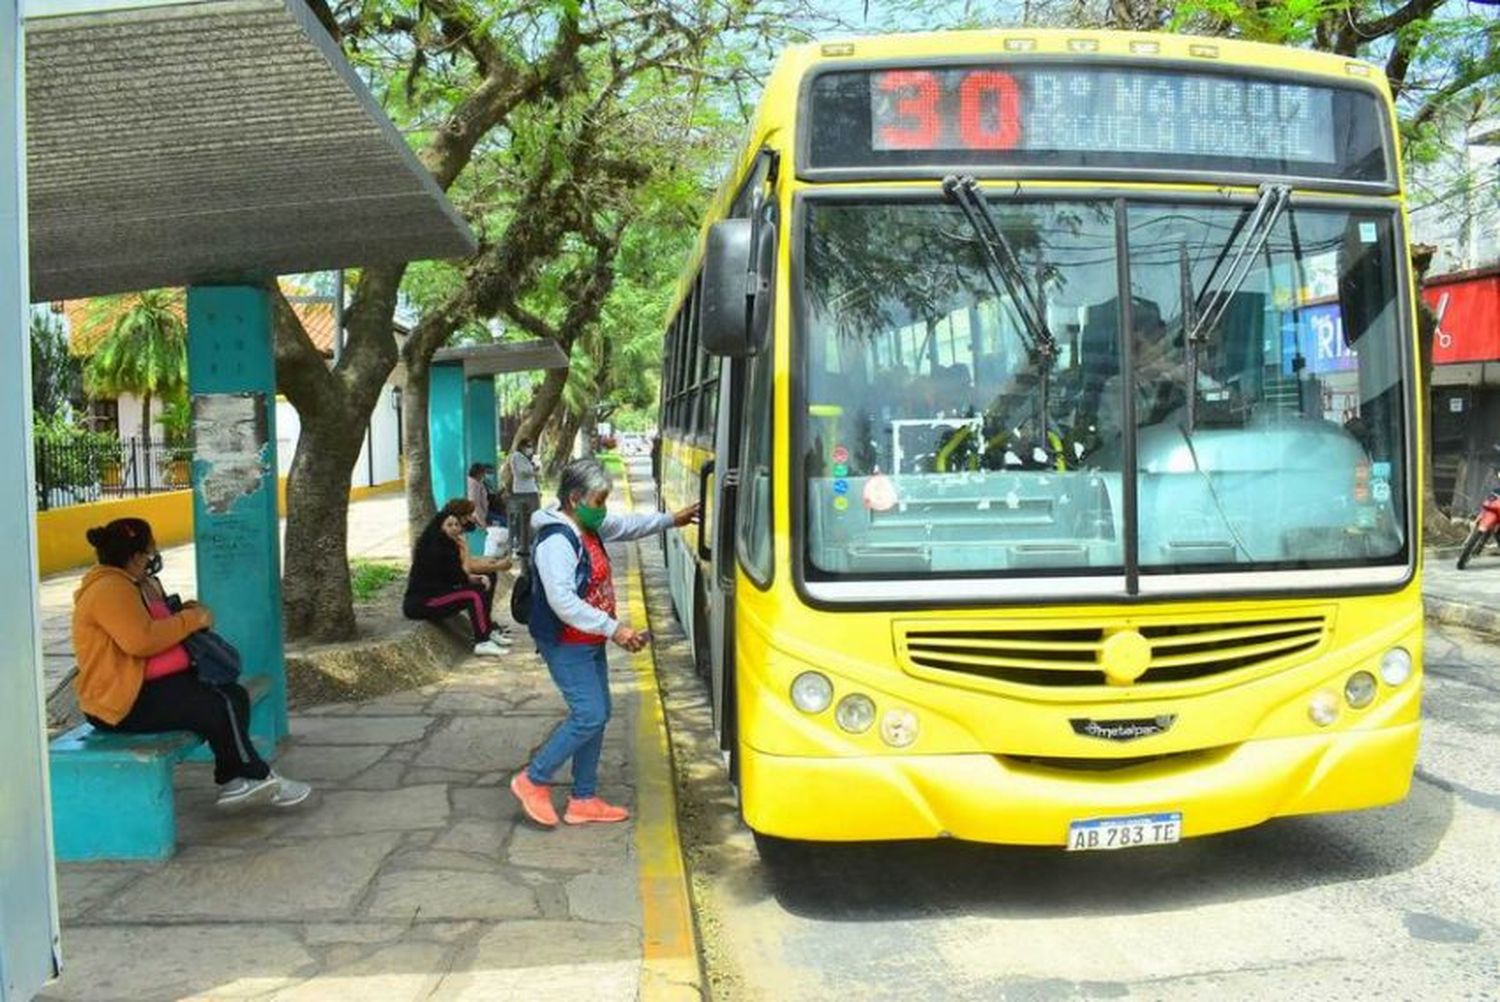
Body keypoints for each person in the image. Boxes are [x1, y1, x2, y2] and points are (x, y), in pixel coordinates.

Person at [71, 518, 311, 809]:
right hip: (119, 702)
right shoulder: (110, 589)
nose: (152, 558)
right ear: (135, 557)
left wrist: (184, 611)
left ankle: (235, 779)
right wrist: (190, 620)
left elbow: (160, 622)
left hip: (143, 687)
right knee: (216, 704)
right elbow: (141, 641)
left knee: (232, 695)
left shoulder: (133, 584)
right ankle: (252, 776)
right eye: (149, 552)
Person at [510, 459, 699, 827]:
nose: (604, 508)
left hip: (588, 640)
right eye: (599, 500)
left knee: (597, 715)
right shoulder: (557, 540)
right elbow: (562, 601)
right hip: (566, 643)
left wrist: (669, 519)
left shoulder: (588, 525)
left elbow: (627, 526)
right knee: (589, 714)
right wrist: (615, 628)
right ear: (575, 498)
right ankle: (533, 779)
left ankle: (583, 799)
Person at [403, 508, 512, 657]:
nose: (454, 528)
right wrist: (466, 549)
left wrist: (474, 577)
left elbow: (458, 575)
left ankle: (487, 631)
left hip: (440, 594)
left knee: (480, 585)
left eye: (456, 524)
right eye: (449, 525)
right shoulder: (434, 547)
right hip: (423, 602)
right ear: (440, 527)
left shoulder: (450, 544)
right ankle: (482, 642)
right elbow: (459, 573)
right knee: (473, 594)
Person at [502, 438, 541, 564]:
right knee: (522, 520)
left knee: (532, 520)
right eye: (528, 446)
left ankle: (528, 545)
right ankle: (521, 545)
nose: (530, 448)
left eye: (531, 446)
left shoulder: (526, 458)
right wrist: (534, 470)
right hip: (523, 492)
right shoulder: (517, 456)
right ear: (522, 446)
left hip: (531, 490)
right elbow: (523, 473)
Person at [466, 463, 504, 527]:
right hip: (481, 517)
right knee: (504, 522)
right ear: (478, 473)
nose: (483, 475)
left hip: (484, 514)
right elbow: (475, 504)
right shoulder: (474, 485)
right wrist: (482, 522)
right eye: (483, 473)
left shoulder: (478, 483)